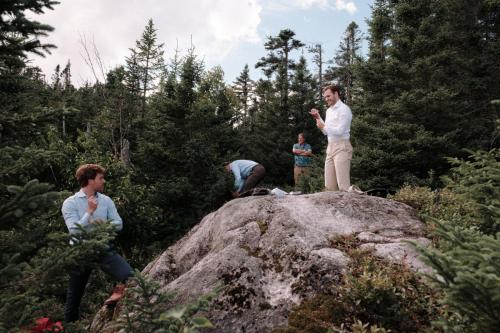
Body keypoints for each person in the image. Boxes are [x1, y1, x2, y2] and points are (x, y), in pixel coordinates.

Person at [61, 164, 133, 322]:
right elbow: (75, 231)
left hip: (103, 248)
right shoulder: (70, 203)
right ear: (90, 180)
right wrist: (89, 212)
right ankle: (70, 328)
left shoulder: (106, 200)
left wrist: (102, 225)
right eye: (100, 178)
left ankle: (117, 294)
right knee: (73, 300)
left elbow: (118, 223)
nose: (104, 181)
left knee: (131, 277)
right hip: (80, 252)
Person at [309, 85, 353, 191]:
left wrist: (323, 126)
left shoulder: (344, 110)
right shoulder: (329, 111)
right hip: (330, 148)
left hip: (342, 147)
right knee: (329, 187)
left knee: (343, 186)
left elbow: (340, 131)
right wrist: (318, 118)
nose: (326, 99)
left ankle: (348, 206)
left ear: (336, 94)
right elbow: (326, 132)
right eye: (325, 97)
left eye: (328, 96)